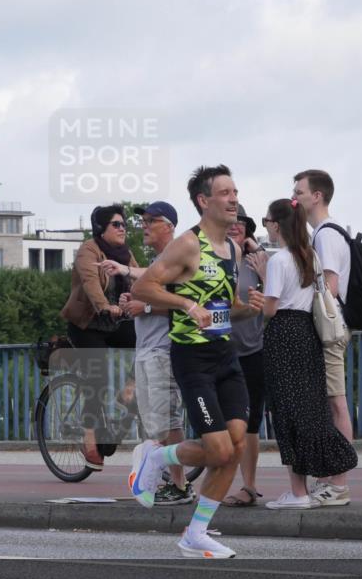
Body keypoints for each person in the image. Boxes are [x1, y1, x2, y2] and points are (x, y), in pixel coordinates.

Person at [129, 165, 264, 558]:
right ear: (204, 201)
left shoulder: (234, 249)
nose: (234, 198)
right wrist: (186, 303)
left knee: (235, 446)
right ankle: (156, 457)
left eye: (236, 190)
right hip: (193, 361)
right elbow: (143, 286)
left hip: (226, 357)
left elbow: (224, 309)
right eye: (225, 192)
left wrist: (246, 309)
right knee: (220, 451)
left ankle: (196, 534)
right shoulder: (188, 244)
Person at [246, 199, 357, 509]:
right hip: (307, 334)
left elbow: (270, 308)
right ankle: (312, 484)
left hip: (283, 335)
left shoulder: (280, 260)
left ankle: (298, 491)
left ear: (277, 224)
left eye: (267, 219)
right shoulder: (309, 256)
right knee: (309, 409)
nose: (266, 225)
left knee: (287, 412)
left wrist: (262, 287)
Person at [101, 201, 192, 505]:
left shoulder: (177, 258)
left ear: (169, 225)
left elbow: (186, 303)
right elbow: (151, 288)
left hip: (162, 350)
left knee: (166, 422)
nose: (144, 226)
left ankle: (174, 484)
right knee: (161, 422)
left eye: (151, 221)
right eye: (143, 220)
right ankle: (172, 483)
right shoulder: (158, 260)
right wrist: (133, 300)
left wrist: (146, 305)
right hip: (148, 348)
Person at [293, 169, 355, 506]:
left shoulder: (326, 236)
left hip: (329, 328)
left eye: (300, 192)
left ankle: (340, 482)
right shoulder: (327, 233)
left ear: (317, 196)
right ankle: (333, 477)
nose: (296, 198)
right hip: (332, 327)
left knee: (336, 403)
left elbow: (329, 287)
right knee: (332, 403)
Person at [60, 205, 138, 470]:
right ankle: (89, 437)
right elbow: (91, 282)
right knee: (98, 377)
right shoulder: (88, 250)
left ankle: (129, 391)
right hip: (87, 324)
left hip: (114, 322)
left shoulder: (126, 255)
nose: (122, 228)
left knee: (150, 343)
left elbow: (141, 282)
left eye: (124, 224)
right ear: (101, 229)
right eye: (116, 224)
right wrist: (105, 306)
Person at [223, 207, 265, 507]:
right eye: (228, 225)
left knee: (250, 421)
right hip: (220, 348)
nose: (234, 228)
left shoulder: (256, 261)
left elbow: (281, 285)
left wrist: (258, 251)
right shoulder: (211, 259)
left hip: (253, 349)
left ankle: (248, 486)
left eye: (239, 225)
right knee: (225, 423)